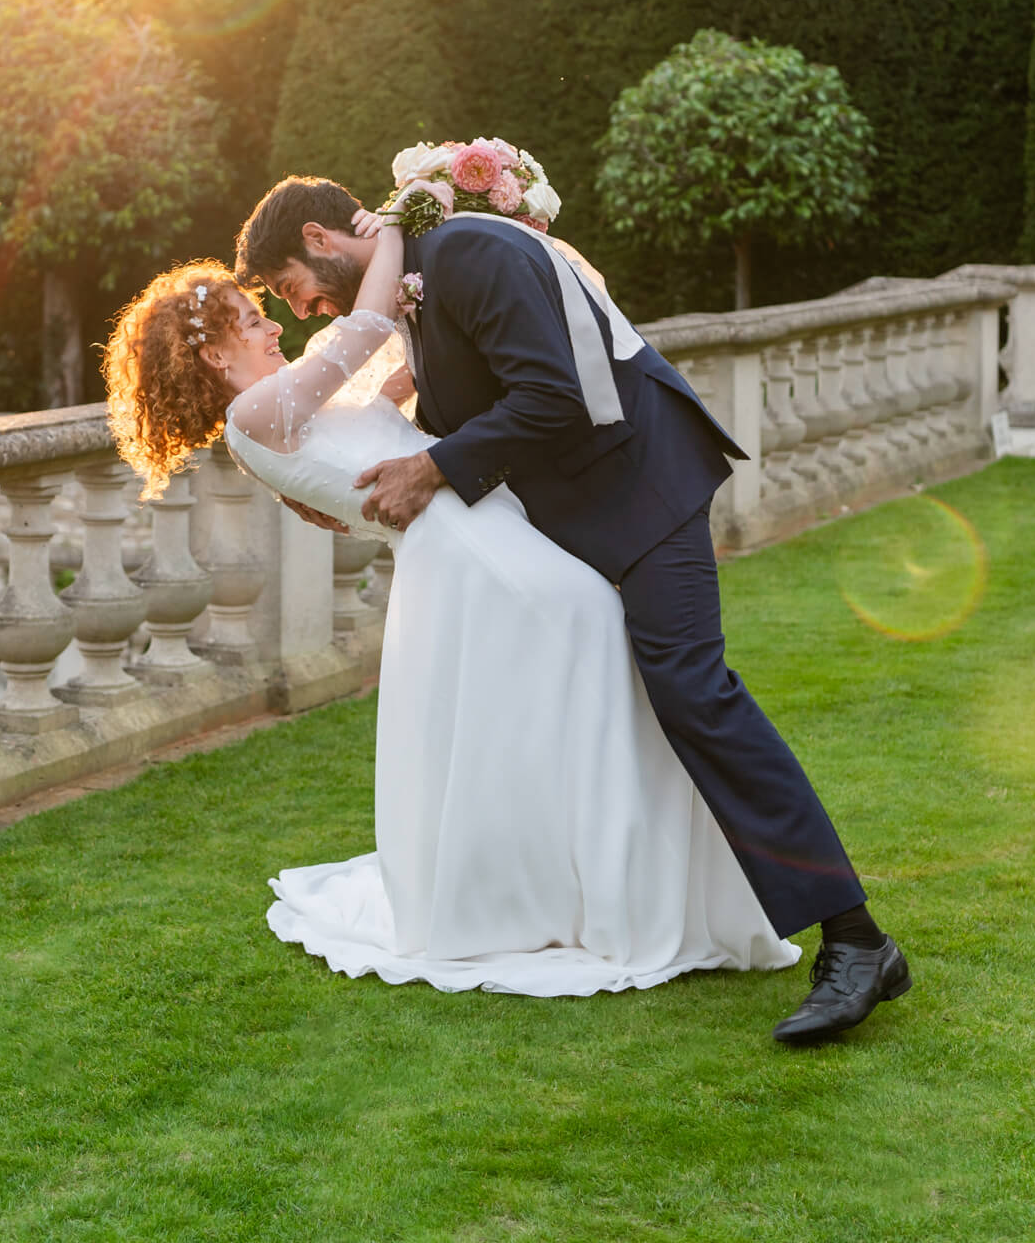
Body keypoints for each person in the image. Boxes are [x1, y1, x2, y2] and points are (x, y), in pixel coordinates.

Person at [233, 174, 912, 1043]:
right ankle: (627, 899)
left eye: (294, 290)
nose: (302, 312)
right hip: (567, 516)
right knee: (620, 699)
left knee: (690, 690)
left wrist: (431, 469)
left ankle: (856, 944)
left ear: (323, 240)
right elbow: (447, 405)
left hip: (643, 483)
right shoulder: (414, 278)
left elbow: (553, 393)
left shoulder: (470, 251)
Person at [104, 213, 801, 999]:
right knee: (595, 646)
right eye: (253, 320)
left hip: (486, 542)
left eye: (270, 309)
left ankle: (595, 882)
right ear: (210, 353)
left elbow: (403, 381)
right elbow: (366, 327)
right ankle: (603, 892)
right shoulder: (255, 415)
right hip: (472, 560)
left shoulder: (292, 406)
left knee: (573, 692)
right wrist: (399, 223)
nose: (275, 326)